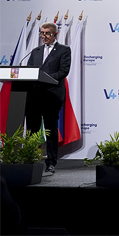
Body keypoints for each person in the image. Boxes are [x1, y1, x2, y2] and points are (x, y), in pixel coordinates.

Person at [25, 22, 71, 174]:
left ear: (55, 34)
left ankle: (51, 163)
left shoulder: (64, 50)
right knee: (32, 129)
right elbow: (30, 71)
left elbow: (63, 71)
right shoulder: (35, 51)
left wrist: (46, 78)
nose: (43, 36)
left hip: (51, 96)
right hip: (34, 96)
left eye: (47, 33)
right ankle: (30, 159)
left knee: (50, 130)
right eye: (42, 33)